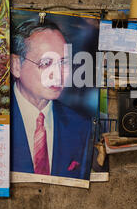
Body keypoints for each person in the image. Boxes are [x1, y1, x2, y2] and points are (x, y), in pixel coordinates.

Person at [10, 19, 93, 180]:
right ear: (16, 66)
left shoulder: (81, 125)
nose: (58, 74)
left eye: (63, 63)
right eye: (46, 63)